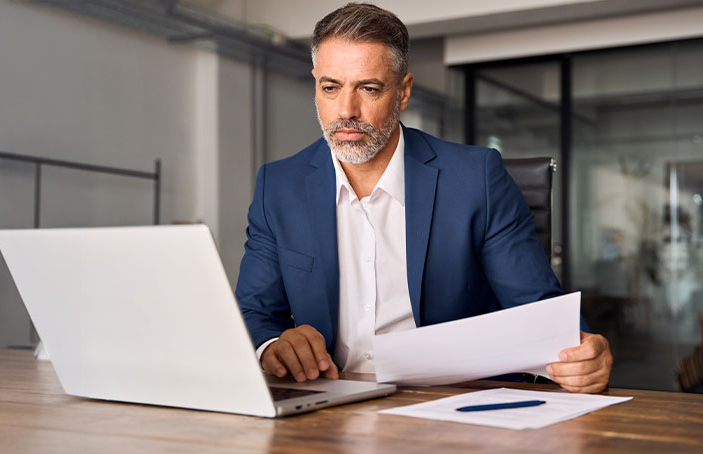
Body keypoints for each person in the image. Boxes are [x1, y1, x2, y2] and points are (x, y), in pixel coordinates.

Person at [235, 3, 612, 394]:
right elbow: (254, 312)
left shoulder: (476, 177)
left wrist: (583, 352)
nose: (346, 111)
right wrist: (273, 345)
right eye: (330, 88)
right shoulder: (279, 185)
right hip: (328, 403)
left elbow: (536, 308)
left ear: (403, 92)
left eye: (369, 88)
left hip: (452, 403)